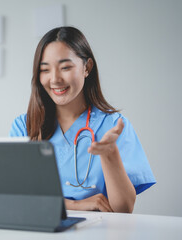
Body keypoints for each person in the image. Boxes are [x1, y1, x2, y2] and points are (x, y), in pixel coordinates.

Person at [9, 26, 156, 213]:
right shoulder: (24, 127)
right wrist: (74, 205)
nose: (54, 79)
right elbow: (14, 197)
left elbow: (124, 209)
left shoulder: (113, 126)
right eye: (45, 70)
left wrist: (110, 154)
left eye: (65, 67)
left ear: (87, 68)